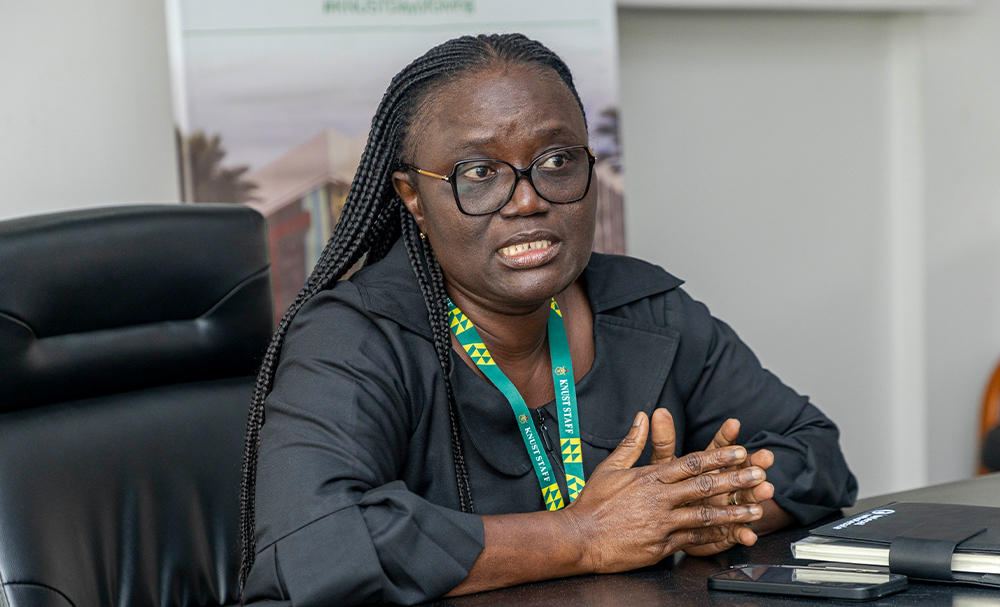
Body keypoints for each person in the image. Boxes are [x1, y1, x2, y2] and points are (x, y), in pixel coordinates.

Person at [239, 34, 858, 606]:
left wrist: (705, 509)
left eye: (558, 160)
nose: (529, 198)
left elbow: (815, 455)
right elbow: (310, 546)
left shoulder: (646, 308)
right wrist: (585, 535)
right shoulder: (350, 338)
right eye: (479, 173)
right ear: (413, 199)